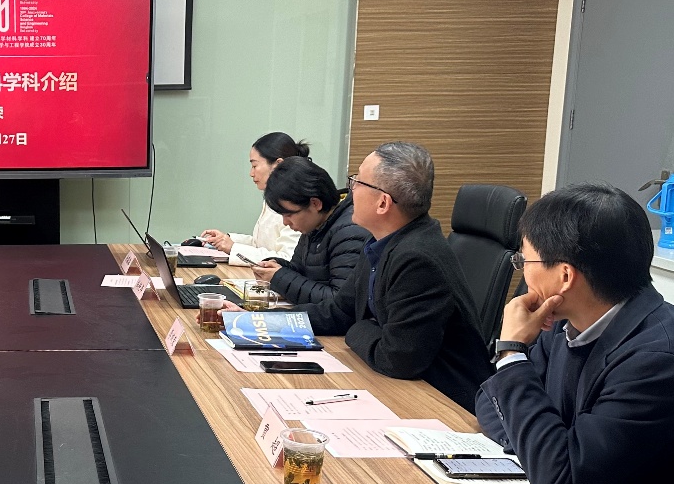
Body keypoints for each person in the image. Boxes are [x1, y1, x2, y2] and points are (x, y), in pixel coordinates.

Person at [476, 184, 674, 484]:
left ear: (564, 276)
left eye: (525, 262)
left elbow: (557, 480)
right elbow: (488, 403)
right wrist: (563, 456)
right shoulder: (564, 322)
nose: (523, 273)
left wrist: (511, 353)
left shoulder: (655, 359)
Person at [304, 142, 491, 408]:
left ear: (383, 203)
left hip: (444, 403)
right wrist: (260, 320)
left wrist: (357, 328)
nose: (350, 189)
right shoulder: (381, 241)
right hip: (404, 387)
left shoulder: (417, 259)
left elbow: (396, 358)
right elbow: (339, 312)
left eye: (357, 181)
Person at [249, 156, 370, 307]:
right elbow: (300, 272)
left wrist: (279, 277)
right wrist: (277, 266)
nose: (285, 222)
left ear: (315, 203)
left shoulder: (349, 232)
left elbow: (339, 303)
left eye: (289, 214)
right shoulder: (315, 225)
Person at [199, 131, 304, 265]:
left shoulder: (295, 203)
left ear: (278, 165)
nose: (251, 173)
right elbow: (260, 245)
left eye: (255, 166)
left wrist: (233, 247)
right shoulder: (273, 198)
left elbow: (286, 259)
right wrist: (227, 240)